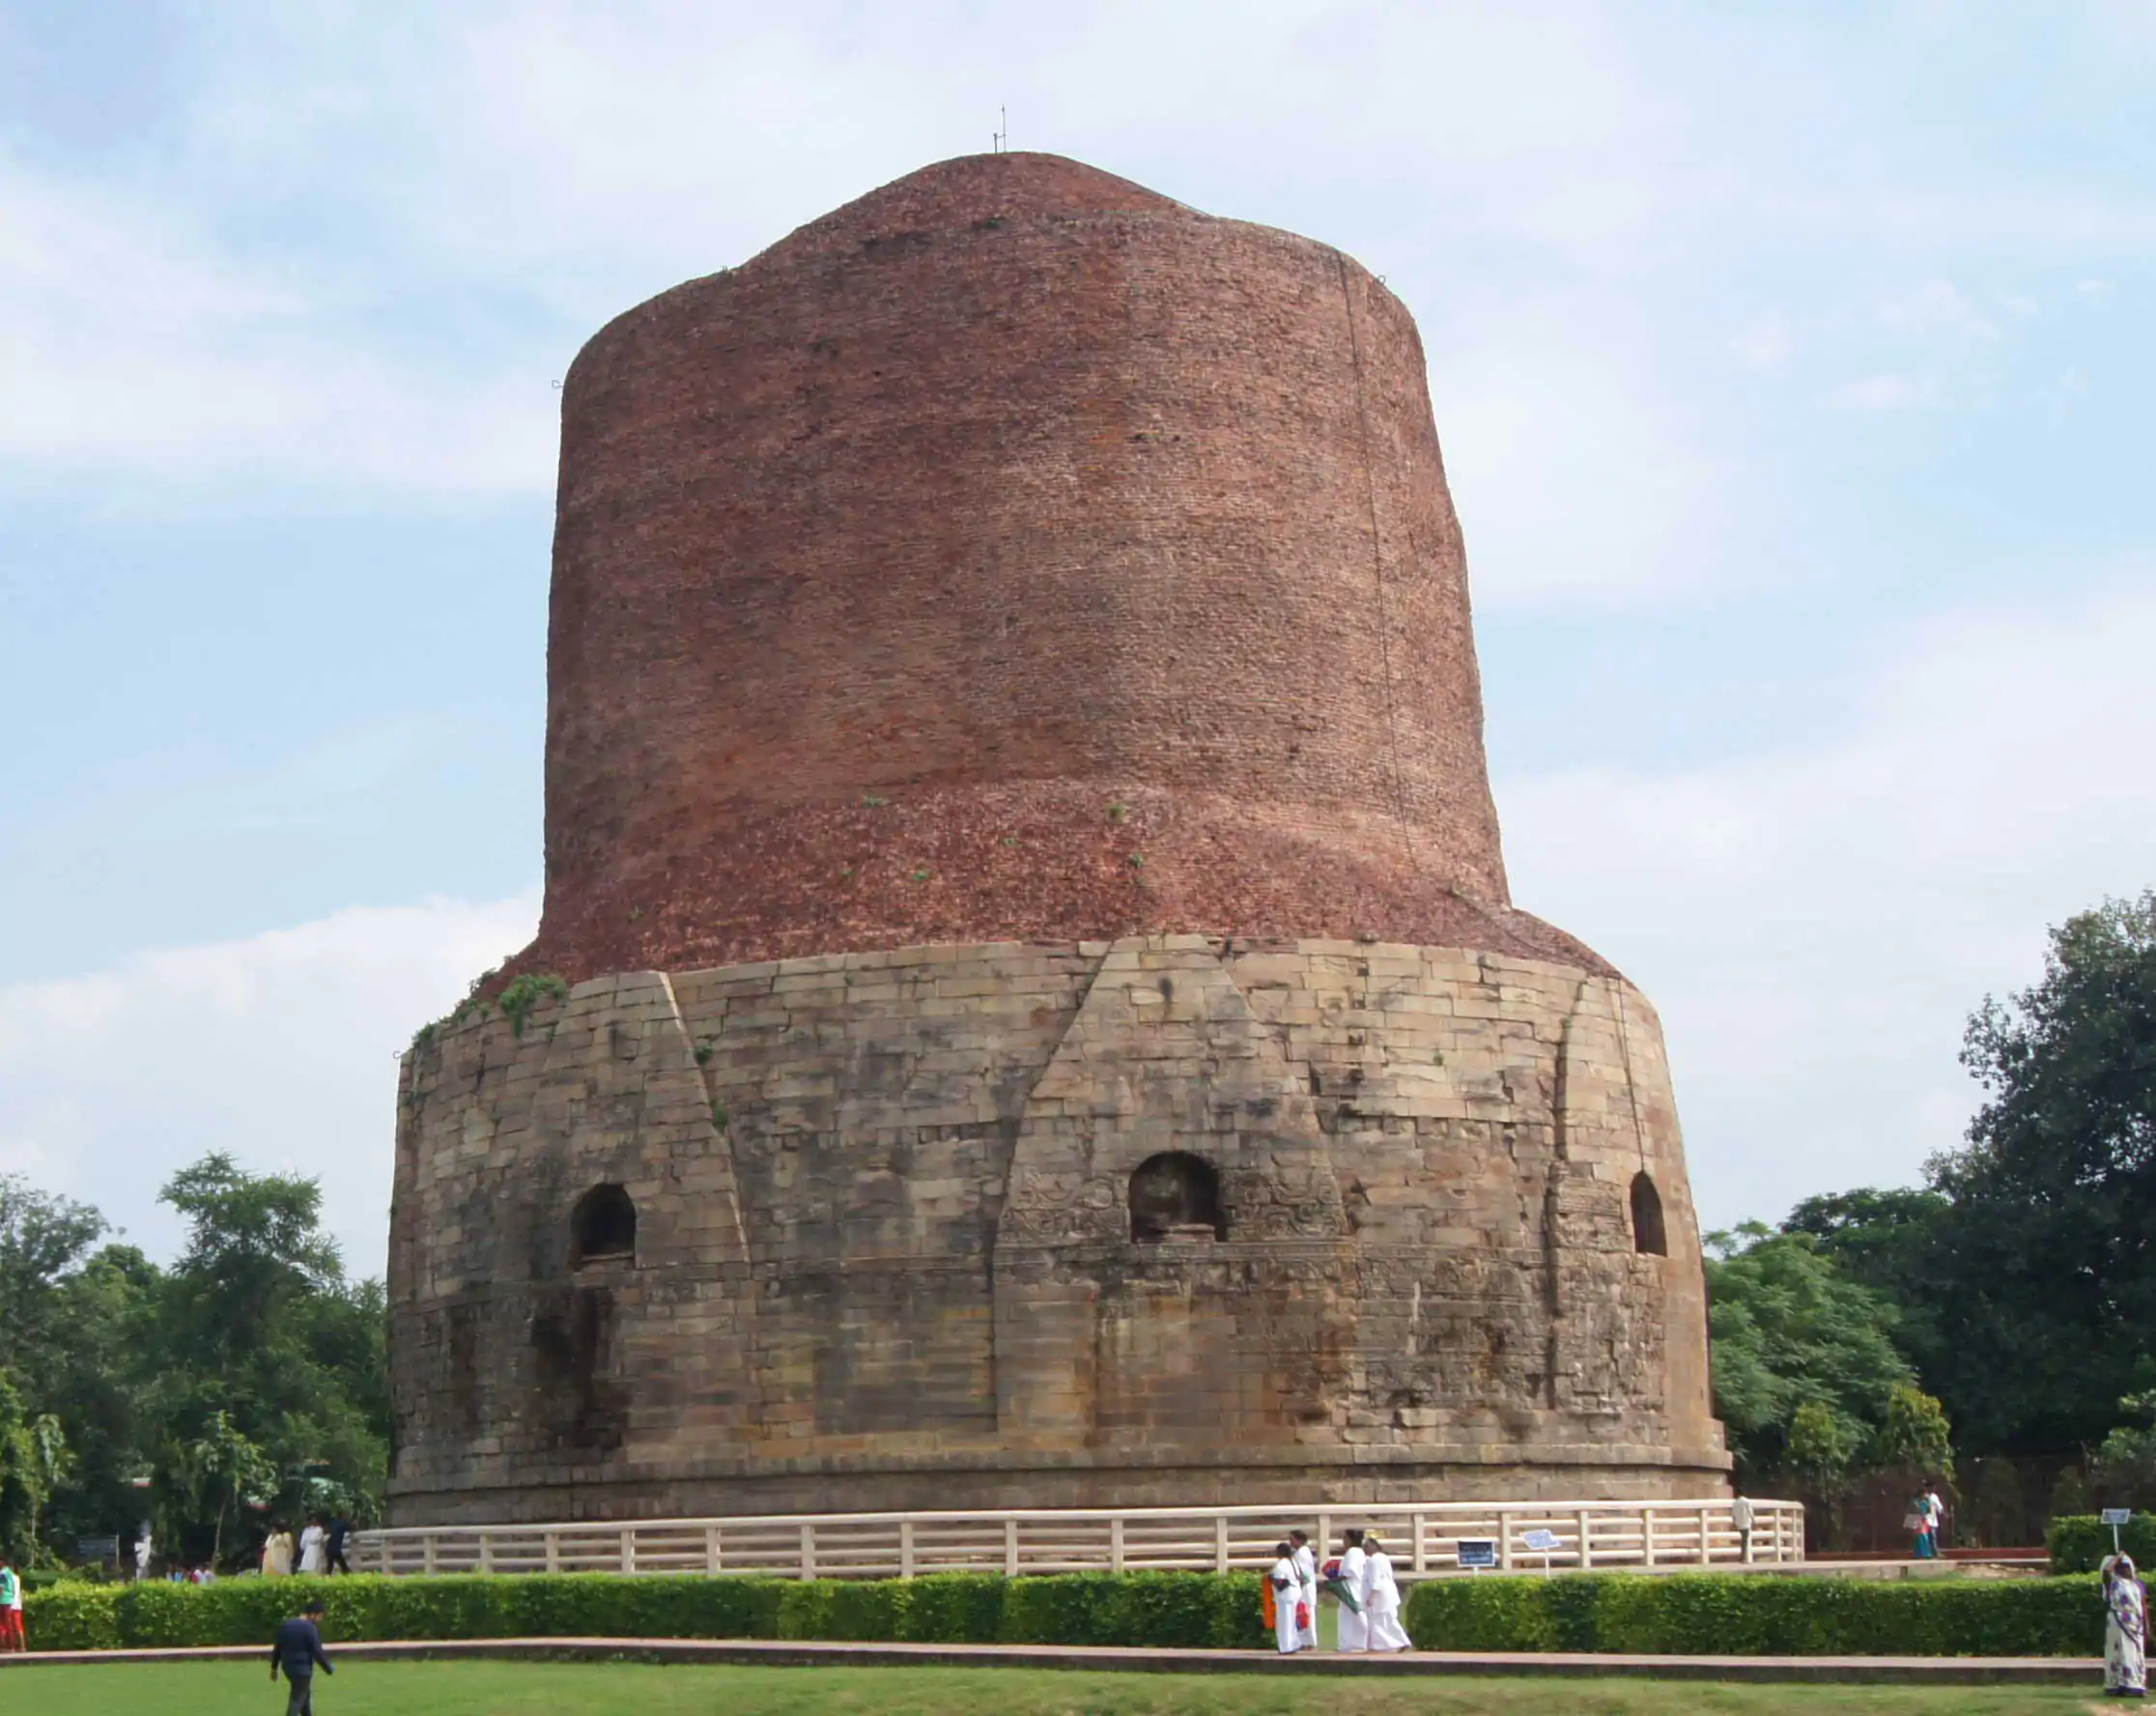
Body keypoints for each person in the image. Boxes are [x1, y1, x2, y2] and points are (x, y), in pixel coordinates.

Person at [270, 1596, 335, 1714]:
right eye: (320, 1616)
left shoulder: (287, 1625)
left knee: (304, 1696)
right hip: (303, 1670)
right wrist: (328, 1668)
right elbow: (317, 1651)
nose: (320, 1620)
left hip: (288, 1668)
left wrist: (274, 1668)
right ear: (313, 1614)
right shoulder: (310, 1628)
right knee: (297, 1698)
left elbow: (277, 1648)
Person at [1360, 1530, 1411, 1652]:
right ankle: (1399, 1642)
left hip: (1380, 1596)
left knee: (1379, 1621)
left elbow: (1375, 1580)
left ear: (1374, 1546)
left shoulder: (1374, 1561)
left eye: (1367, 1546)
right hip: (1388, 1594)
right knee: (1387, 1620)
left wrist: (1372, 1596)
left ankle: (1384, 1645)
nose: (1364, 1549)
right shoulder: (1383, 1558)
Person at [2105, 1554, 2148, 1699]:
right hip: (2118, 1622)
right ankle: (2117, 1685)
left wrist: (2147, 1625)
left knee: (2135, 1655)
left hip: (2136, 1624)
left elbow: (2143, 1605)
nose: (2126, 1570)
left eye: (2128, 1567)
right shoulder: (2114, 1583)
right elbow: (2106, 1570)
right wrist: (2118, 1557)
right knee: (2117, 1654)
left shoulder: (2138, 1585)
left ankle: (2135, 1684)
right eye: (2122, 1568)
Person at [1265, 1539, 1304, 1654]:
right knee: (1291, 1620)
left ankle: (1286, 1647)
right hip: (1295, 1593)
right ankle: (1294, 1643)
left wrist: (1270, 1578)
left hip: (1286, 1596)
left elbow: (1279, 1581)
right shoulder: (1293, 1562)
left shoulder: (1281, 1564)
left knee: (1284, 1621)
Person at [1336, 1529, 1369, 1653]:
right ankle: (1350, 1643)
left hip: (1351, 1586)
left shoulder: (1353, 1552)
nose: (1343, 1541)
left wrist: (1334, 1580)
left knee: (1354, 1614)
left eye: (1345, 1538)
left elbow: (1350, 1572)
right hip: (1354, 1586)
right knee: (1350, 1615)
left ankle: (1353, 1643)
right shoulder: (1358, 1552)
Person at [1288, 1530, 1319, 1651]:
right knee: (1302, 1615)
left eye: (1292, 1539)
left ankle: (1310, 1642)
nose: (1290, 1542)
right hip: (1303, 1589)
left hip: (1305, 1589)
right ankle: (1304, 1641)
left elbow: (1303, 1574)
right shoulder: (1300, 1552)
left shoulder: (1302, 1553)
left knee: (1307, 1615)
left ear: (1299, 1540)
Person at [0, 1554, 24, 1652]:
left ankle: (8, 1646)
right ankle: (12, 1646)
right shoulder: (10, 1573)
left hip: (3, 1600)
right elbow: (14, 1589)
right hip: (9, 1600)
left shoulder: (2, 1573)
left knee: (4, 1623)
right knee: (8, 1624)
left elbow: (0, 1588)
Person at [1731, 1493, 1756, 1562]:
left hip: (1739, 1523)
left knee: (1743, 1540)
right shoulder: (1747, 1501)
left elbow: (1733, 1514)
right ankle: (1743, 1557)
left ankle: (1743, 1557)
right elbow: (1750, 1512)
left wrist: (1734, 1522)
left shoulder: (1735, 1503)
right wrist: (1753, 1520)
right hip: (1746, 1523)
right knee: (1745, 1541)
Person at [326, 1513, 353, 1577]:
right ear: (342, 1516)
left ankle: (327, 1576)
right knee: (341, 1564)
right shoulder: (342, 1523)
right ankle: (347, 1575)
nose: (347, 1517)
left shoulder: (334, 1522)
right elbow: (351, 1528)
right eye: (346, 1515)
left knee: (330, 1564)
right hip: (335, 1547)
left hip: (330, 1545)